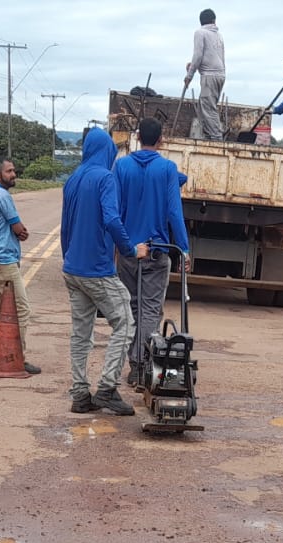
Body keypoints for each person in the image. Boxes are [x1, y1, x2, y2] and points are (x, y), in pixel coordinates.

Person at [62, 128, 149, 415]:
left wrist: (69, 259)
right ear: (107, 151)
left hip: (73, 268)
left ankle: (79, 394)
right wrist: (130, 249)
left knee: (81, 333)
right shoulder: (104, 178)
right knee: (125, 322)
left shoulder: (73, 180)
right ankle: (108, 388)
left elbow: (66, 227)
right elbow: (112, 219)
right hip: (97, 269)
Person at [114, 118, 192, 391]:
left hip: (128, 251)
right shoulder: (167, 169)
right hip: (158, 251)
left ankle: (131, 365)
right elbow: (174, 212)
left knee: (131, 307)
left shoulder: (121, 166)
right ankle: (141, 363)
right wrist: (183, 249)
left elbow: (114, 209)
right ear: (161, 139)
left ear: (137, 136)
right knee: (150, 309)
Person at [0, 157, 40, 374]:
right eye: (9, 171)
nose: (14, 174)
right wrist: (21, 231)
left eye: (14, 170)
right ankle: (16, 357)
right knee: (21, 309)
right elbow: (18, 227)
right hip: (4, 261)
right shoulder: (2, 195)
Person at [184, 9, 225, 141]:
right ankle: (209, 136)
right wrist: (193, 65)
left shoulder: (200, 33)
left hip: (209, 75)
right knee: (205, 107)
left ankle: (217, 139)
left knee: (208, 109)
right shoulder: (218, 35)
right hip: (220, 75)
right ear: (214, 20)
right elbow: (211, 56)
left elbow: (198, 55)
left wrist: (189, 75)